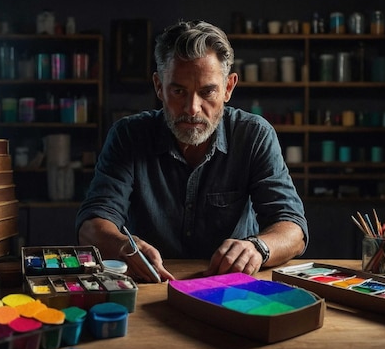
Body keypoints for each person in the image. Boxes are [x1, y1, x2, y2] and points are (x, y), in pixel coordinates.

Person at [76, 19, 308, 283]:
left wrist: (258, 247)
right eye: (178, 91)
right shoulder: (127, 136)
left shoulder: (253, 135)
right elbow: (91, 226)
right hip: (150, 285)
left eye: (207, 91)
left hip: (231, 289)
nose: (192, 109)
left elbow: (293, 229)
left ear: (228, 88)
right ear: (159, 87)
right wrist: (122, 247)